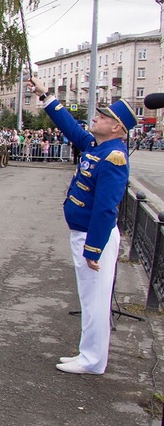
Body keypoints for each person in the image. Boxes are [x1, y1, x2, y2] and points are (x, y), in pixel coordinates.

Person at [31, 78, 134, 375]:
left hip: (93, 237)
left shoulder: (113, 157)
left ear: (117, 128)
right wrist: (45, 95)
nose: (96, 118)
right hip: (84, 234)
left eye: (104, 117)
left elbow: (105, 208)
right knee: (89, 299)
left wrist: (94, 247)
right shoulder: (96, 145)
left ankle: (92, 360)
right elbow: (68, 125)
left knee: (95, 302)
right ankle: (87, 353)